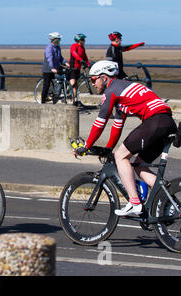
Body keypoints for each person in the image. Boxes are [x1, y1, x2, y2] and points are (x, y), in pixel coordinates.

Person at [74, 60, 176, 216]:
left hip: (154, 121)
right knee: (140, 165)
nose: (93, 84)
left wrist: (87, 145)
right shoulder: (123, 89)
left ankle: (134, 203)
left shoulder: (112, 91)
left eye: (94, 79)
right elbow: (117, 126)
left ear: (104, 77)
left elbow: (100, 121)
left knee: (121, 156)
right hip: (167, 122)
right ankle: (169, 201)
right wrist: (109, 149)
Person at [41, 32, 69, 103]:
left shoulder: (58, 47)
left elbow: (60, 57)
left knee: (60, 81)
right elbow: (49, 58)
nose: (60, 41)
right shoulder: (49, 48)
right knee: (46, 85)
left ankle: (57, 97)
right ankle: (43, 101)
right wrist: (52, 68)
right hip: (48, 69)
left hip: (56, 67)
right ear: (54, 40)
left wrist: (65, 63)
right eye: (59, 39)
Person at [68, 33, 90, 106]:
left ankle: (75, 100)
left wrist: (88, 65)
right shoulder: (74, 46)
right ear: (79, 40)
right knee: (73, 83)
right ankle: (67, 91)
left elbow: (85, 57)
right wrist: (80, 60)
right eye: (83, 40)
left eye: (84, 40)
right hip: (73, 67)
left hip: (78, 68)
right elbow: (74, 53)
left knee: (76, 85)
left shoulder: (82, 48)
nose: (84, 41)